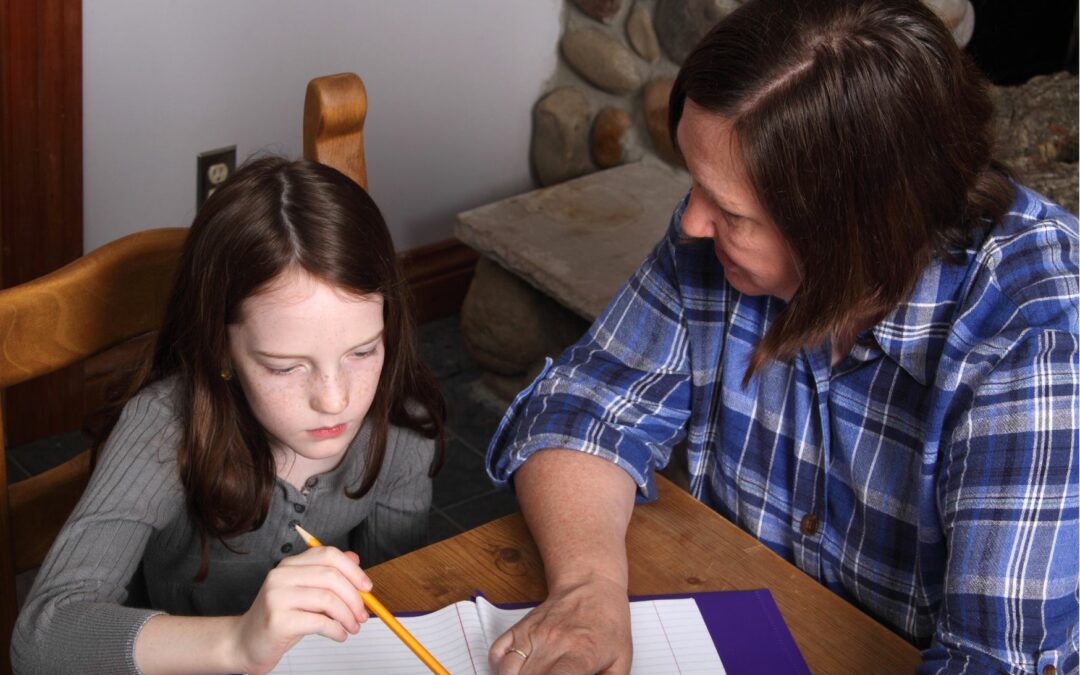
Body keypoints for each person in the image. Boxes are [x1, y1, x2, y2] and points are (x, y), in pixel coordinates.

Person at [485, 0, 1078, 673]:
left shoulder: (1036, 347)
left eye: (731, 212)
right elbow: (586, 405)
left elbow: (992, 664)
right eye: (696, 186)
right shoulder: (723, 242)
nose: (691, 225)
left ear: (848, 231)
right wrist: (587, 588)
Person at [11, 157, 446, 674]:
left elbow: (397, 597)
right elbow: (41, 638)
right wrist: (239, 642)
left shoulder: (399, 420)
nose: (336, 400)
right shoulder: (165, 429)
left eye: (363, 351)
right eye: (285, 367)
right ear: (220, 349)